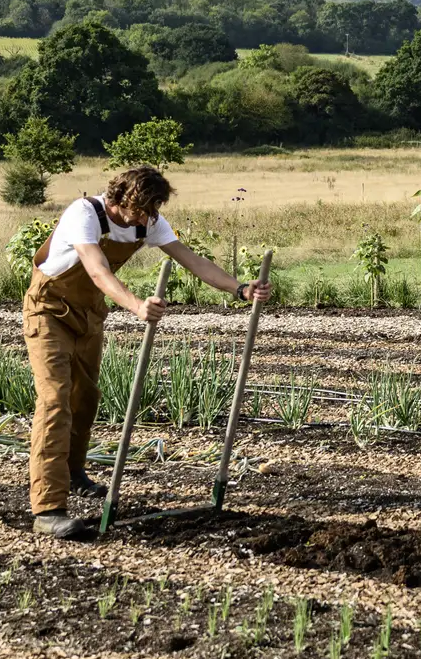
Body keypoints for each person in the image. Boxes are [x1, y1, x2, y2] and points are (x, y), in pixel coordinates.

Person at [23, 165, 271, 540]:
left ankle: (73, 474)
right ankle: (48, 509)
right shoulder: (83, 214)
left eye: (151, 210)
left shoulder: (148, 221)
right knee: (55, 401)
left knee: (85, 399)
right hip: (48, 314)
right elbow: (96, 269)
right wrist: (137, 306)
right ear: (119, 197)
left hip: (88, 318)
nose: (144, 218)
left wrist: (239, 289)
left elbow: (191, 260)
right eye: (139, 210)